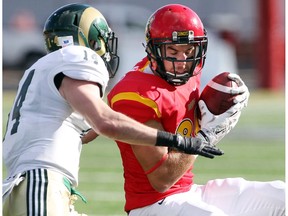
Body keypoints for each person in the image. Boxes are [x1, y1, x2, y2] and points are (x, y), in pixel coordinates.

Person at [2, 3, 225, 216]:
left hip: (32, 183)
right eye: (102, 39)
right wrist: (177, 141)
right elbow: (106, 123)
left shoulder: (42, 71)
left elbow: (84, 133)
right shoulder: (78, 56)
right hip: (41, 182)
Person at [107, 4, 285, 216]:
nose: (182, 61)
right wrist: (208, 135)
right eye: (173, 51)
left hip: (188, 192)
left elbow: (189, 113)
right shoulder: (136, 94)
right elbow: (162, 179)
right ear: (153, 50)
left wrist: (229, 98)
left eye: (189, 51)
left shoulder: (189, 73)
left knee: (281, 195)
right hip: (153, 206)